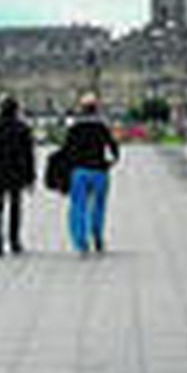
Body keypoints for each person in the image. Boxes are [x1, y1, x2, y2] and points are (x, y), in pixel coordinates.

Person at [59, 92, 120, 254]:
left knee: (79, 206)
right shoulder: (102, 126)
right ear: (96, 108)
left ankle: (81, 241)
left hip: (80, 171)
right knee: (98, 206)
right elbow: (113, 147)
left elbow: (66, 150)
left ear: (81, 108)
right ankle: (97, 234)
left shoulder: (74, 127)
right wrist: (112, 162)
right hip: (99, 170)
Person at [0, 96, 36, 257]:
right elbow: (29, 155)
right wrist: (30, 177)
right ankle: (14, 241)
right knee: (15, 209)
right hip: (16, 175)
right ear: (16, 110)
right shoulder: (22, 128)